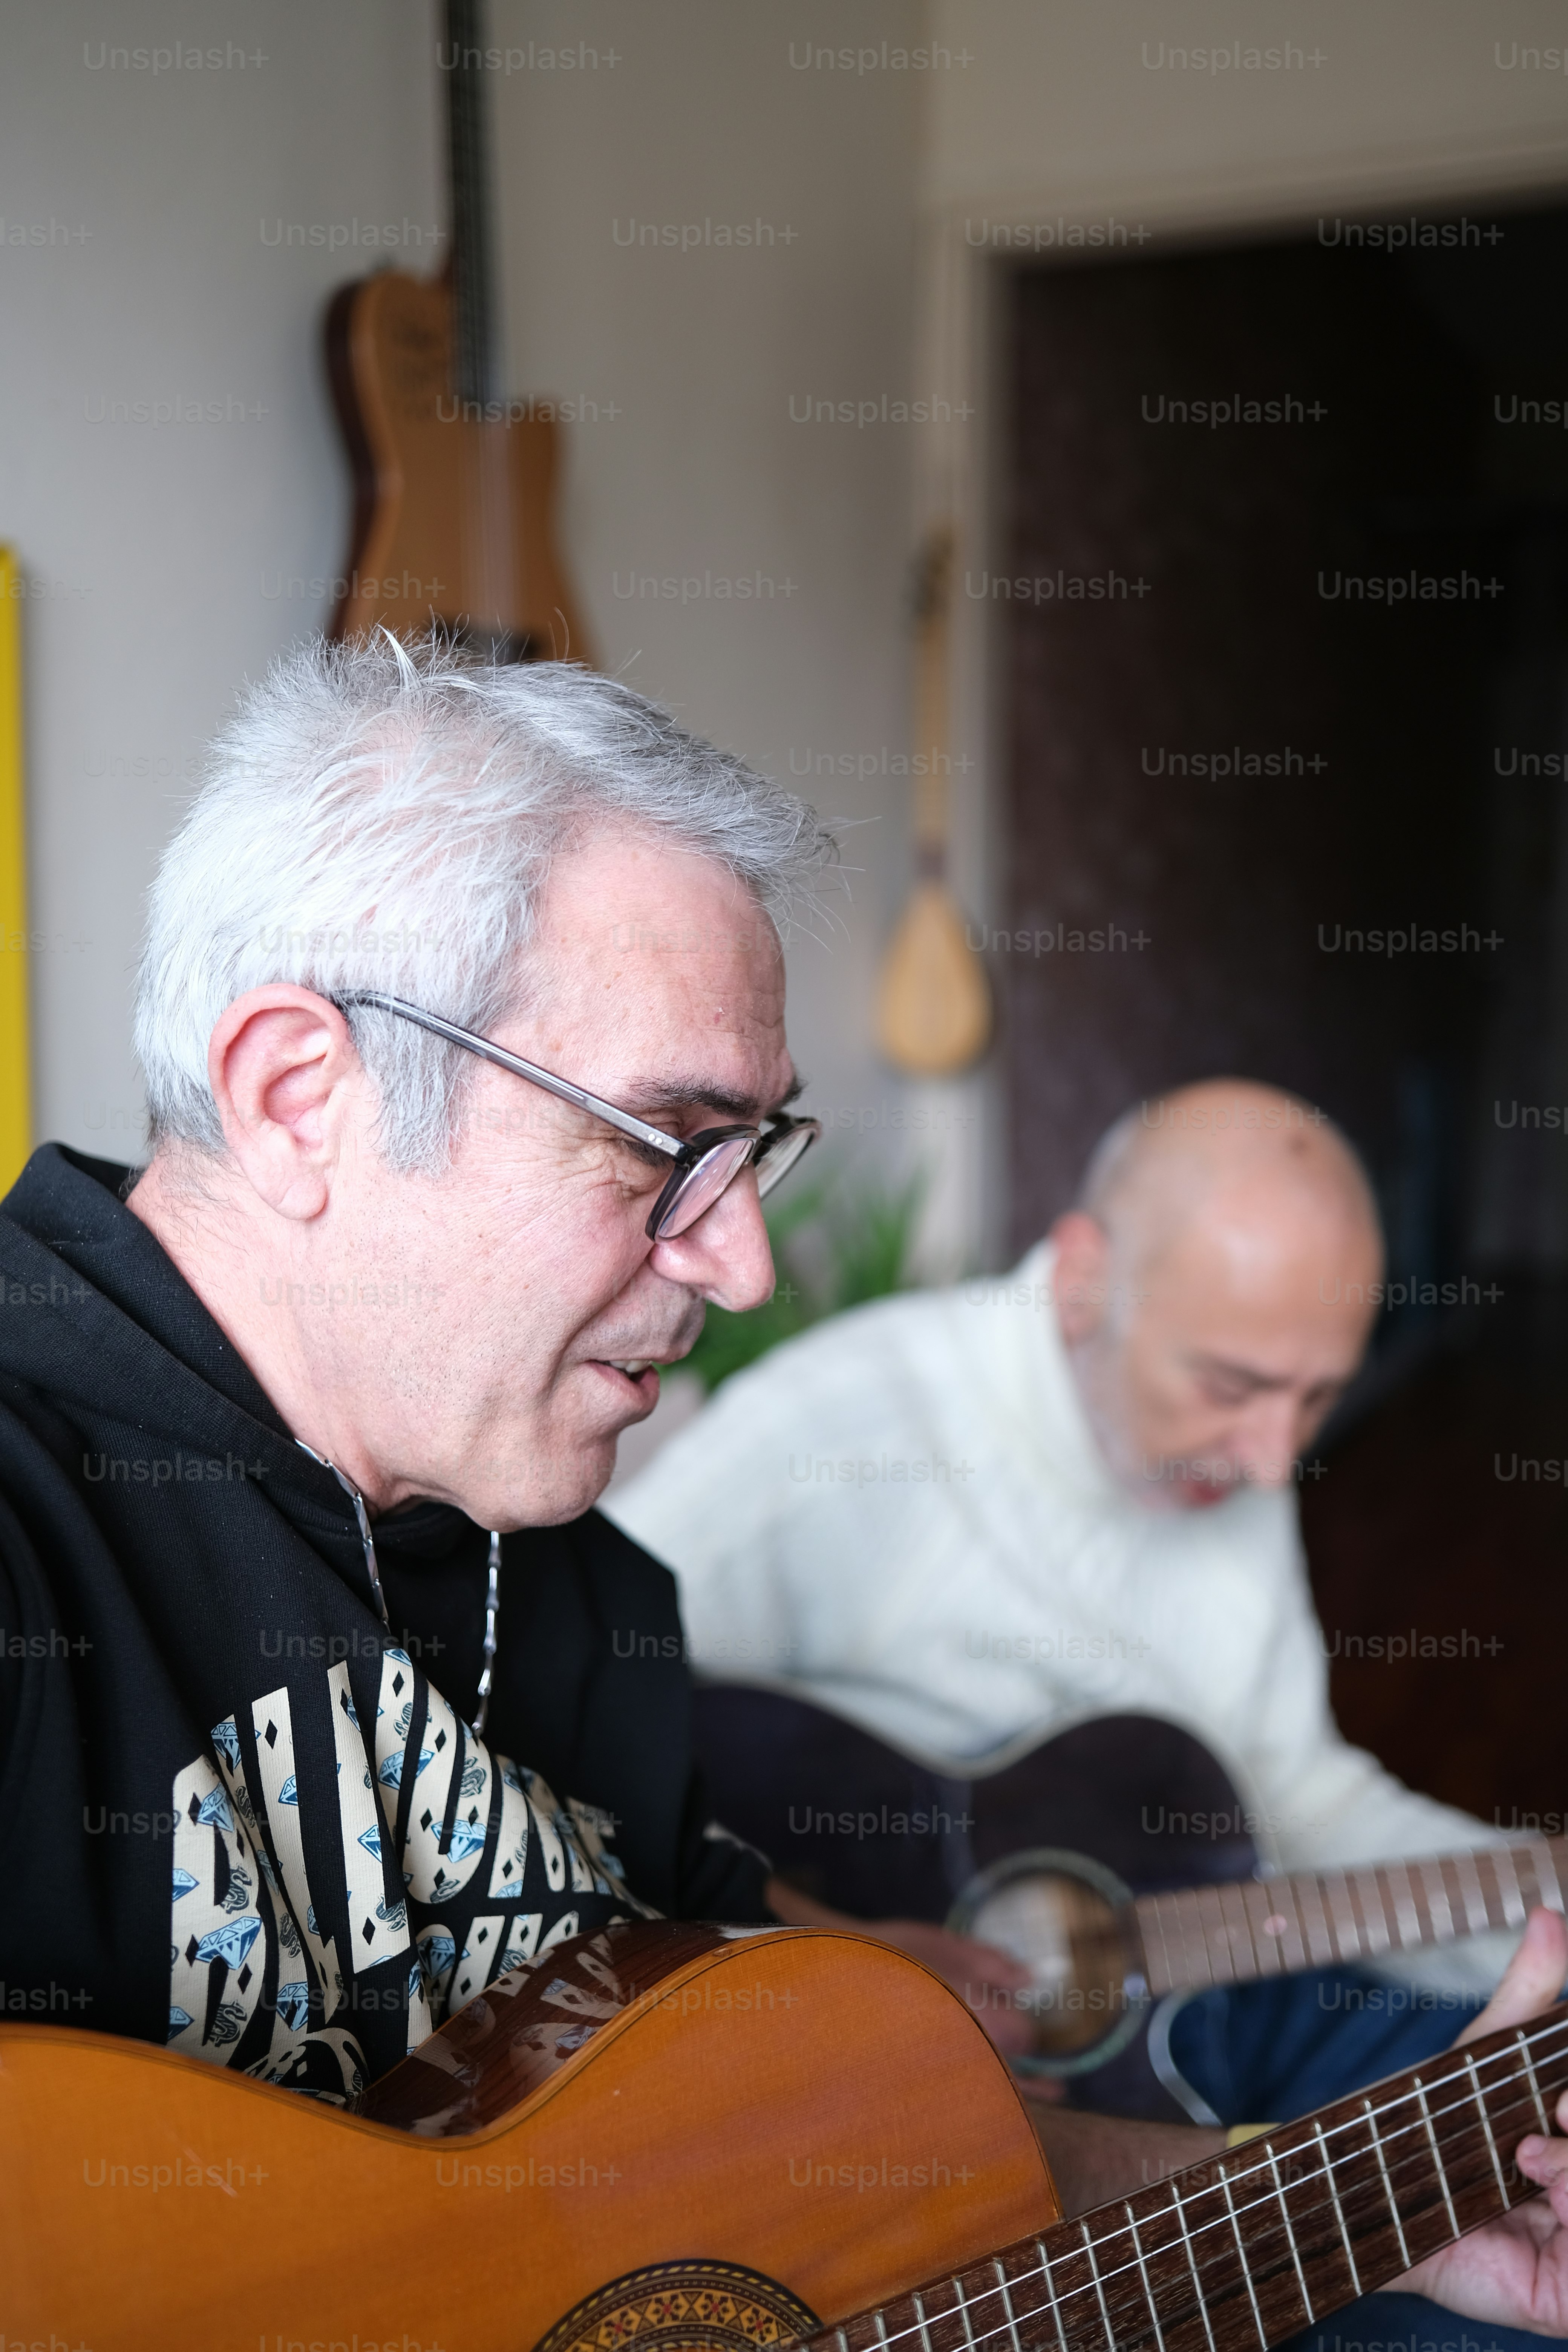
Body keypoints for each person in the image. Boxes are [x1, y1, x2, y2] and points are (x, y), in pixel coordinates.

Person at [2, 633, 1566, 2344]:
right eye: (668, 1145)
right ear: (302, 1099)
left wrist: (1376, 2219)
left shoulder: (574, 1575)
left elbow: (835, 2162)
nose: (744, 1265)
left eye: (755, 1154)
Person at [611, 1078, 1517, 2023]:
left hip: (1172, 1974)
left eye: (1317, 1395)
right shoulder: (830, 1434)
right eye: (1229, 1386)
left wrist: (1537, 1910)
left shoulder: (1240, 1442)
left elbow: (1295, 1795)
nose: (1274, 1461)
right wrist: (842, 1974)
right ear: (1085, 1281)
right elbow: (553, 1710)